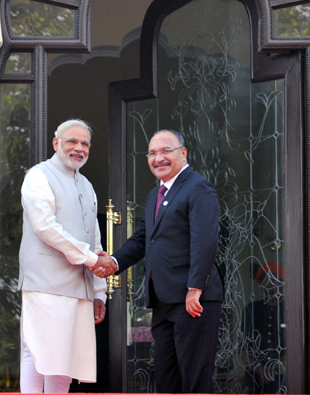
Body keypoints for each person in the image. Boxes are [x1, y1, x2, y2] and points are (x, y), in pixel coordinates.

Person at [92, 129, 223, 394]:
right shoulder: (156, 195)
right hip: (163, 300)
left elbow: (205, 241)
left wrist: (195, 288)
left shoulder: (198, 187)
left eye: (166, 151)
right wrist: (114, 262)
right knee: (167, 378)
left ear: (183, 153)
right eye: (152, 153)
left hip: (192, 299)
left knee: (195, 378)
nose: (158, 158)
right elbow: (142, 239)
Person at [18, 119, 107, 393]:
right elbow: (45, 227)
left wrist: (99, 292)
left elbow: (94, 239)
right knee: (38, 352)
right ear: (56, 144)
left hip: (79, 288)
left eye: (85, 144)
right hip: (45, 283)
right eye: (72, 141)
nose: (78, 148)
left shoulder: (87, 185)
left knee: (67, 358)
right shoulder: (38, 176)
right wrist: (92, 260)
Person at [242, 262, 286, 394]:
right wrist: (256, 367)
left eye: (274, 279)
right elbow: (242, 347)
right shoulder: (251, 309)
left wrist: (279, 366)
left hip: (283, 378)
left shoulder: (290, 309)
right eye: (265, 280)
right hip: (254, 380)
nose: (269, 284)